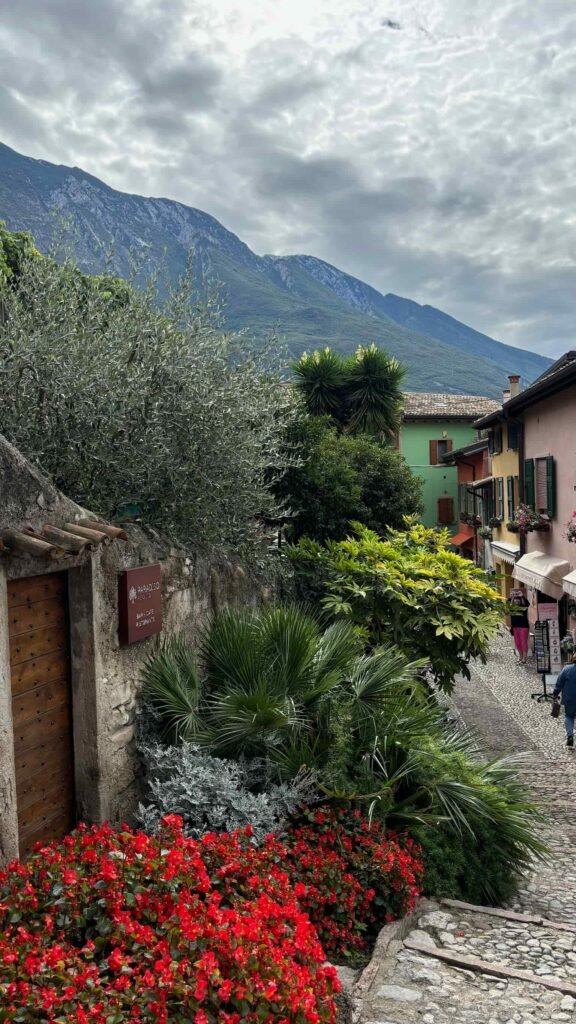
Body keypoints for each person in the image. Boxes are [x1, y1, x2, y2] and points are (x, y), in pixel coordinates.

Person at [553, 653, 576, 748]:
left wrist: (555, 694)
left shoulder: (567, 669)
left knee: (569, 716)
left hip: (569, 698)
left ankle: (570, 736)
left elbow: (559, 683)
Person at [509, 587, 530, 664]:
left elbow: (528, 603)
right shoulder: (512, 607)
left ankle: (524, 658)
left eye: (518, 599)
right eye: (515, 599)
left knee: (523, 642)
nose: (516, 600)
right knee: (517, 643)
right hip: (515, 627)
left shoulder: (523, 606)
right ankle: (520, 657)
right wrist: (512, 596)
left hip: (523, 627)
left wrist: (522, 596)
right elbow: (508, 603)